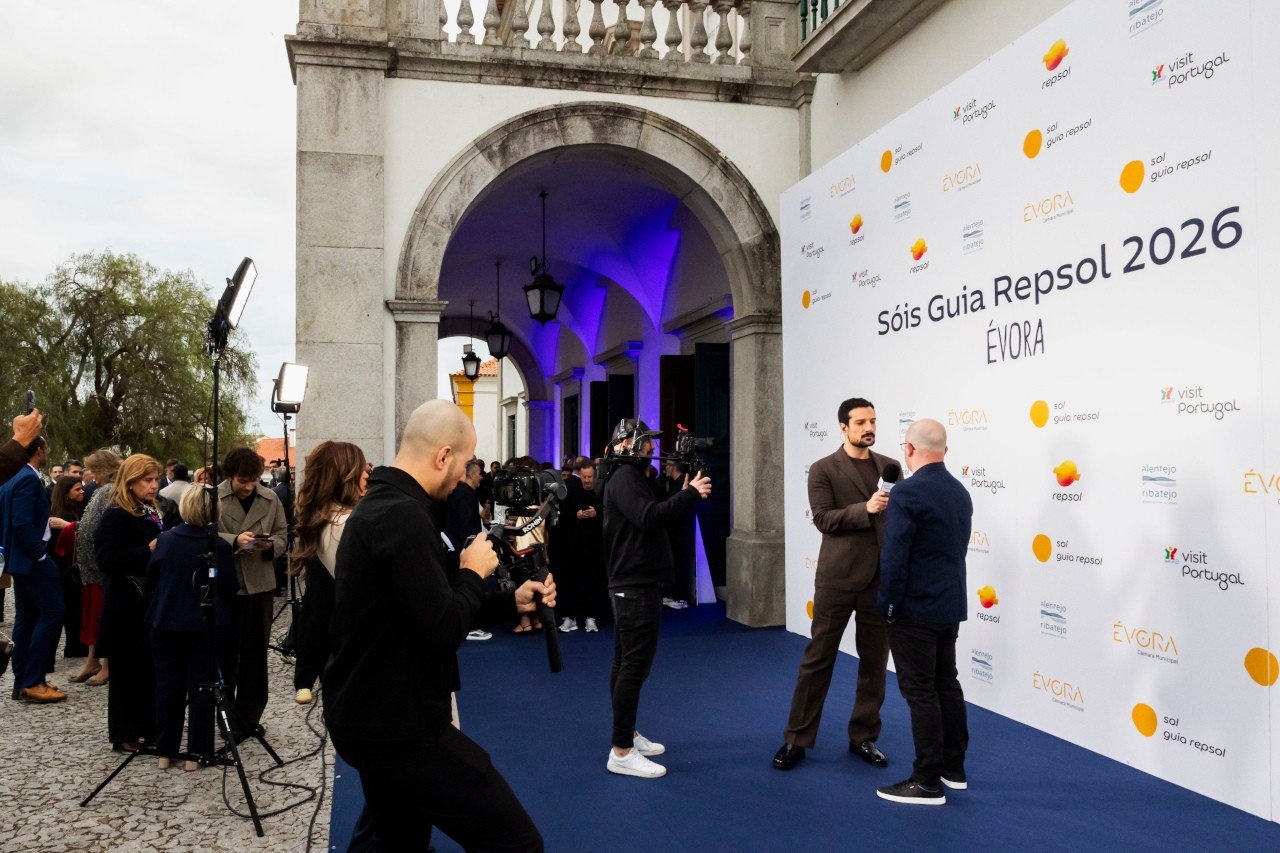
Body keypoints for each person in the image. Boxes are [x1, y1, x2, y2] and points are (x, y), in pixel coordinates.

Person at [325, 399, 553, 850]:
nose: (469, 474)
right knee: (518, 843)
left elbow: (431, 602)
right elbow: (445, 625)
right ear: (443, 456)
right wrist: (474, 571)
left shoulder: (386, 507)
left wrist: (512, 600)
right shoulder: (402, 516)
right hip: (399, 728)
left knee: (395, 841)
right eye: (466, 462)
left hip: (371, 716)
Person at [773, 397, 894, 772]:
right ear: (843, 427)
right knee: (818, 659)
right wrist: (866, 509)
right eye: (860, 422)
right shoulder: (824, 469)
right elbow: (824, 519)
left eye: (872, 421)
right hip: (837, 580)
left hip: (879, 581)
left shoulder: (889, 467)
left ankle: (864, 736)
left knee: (874, 664)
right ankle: (796, 739)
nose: (868, 427)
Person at [600, 418, 711, 779]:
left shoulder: (630, 478)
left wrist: (682, 489)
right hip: (634, 582)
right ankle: (621, 751)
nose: (651, 448)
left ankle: (626, 734)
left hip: (633, 580)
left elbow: (656, 513)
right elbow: (649, 518)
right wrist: (690, 494)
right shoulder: (625, 478)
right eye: (645, 441)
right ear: (625, 444)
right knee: (634, 665)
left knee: (625, 662)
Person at [875, 418, 972, 805]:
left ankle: (927, 780)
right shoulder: (960, 492)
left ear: (909, 450)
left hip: (915, 609)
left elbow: (895, 559)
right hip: (949, 607)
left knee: (921, 692)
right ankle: (953, 768)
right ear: (944, 451)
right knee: (946, 684)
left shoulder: (907, 493)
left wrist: (890, 607)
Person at [145, 484, 238, 770]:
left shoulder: (164, 541)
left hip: (164, 621)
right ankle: (198, 751)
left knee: (167, 686)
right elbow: (230, 588)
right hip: (203, 624)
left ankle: (166, 749)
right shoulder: (218, 546)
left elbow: (150, 581)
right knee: (201, 686)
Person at [93, 454, 165, 750]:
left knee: (149, 669)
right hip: (125, 604)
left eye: (155, 480)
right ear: (131, 482)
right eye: (147, 480)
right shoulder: (115, 514)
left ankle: (150, 727)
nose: (153, 485)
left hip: (148, 602)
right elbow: (106, 559)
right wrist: (145, 551)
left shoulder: (150, 510)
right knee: (126, 674)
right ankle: (124, 733)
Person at [216, 447, 288, 738]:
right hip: (229, 586)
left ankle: (250, 716)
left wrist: (272, 545)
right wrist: (233, 540)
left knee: (255, 654)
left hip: (260, 584)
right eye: (243, 481)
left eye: (254, 480)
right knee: (227, 655)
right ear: (230, 476)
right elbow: (201, 532)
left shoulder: (270, 499)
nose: (248, 487)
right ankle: (227, 717)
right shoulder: (212, 498)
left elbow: (284, 533)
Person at [289, 441, 367, 704]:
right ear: (346, 476)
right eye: (362, 469)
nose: (368, 475)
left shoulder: (325, 518)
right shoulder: (347, 523)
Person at [3, 435, 67, 703]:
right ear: (38, 449)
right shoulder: (28, 478)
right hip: (32, 559)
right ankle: (32, 680)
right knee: (53, 612)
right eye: (46, 447)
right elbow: (21, 521)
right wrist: (40, 556)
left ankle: (22, 680)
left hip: (19, 559)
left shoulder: (12, 477)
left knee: (27, 618)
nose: (47, 451)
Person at [74, 449, 123, 686]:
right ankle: (92, 660)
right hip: (91, 566)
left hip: (100, 564)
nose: (91, 474)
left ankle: (107, 665)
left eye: (94, 469)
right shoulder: (102, 489)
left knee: (104, 615)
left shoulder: (112, 490)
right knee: (93, 614)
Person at [443, 457, 492, 642]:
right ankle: (470, 625)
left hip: (456, 548)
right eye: (479, 473)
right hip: (463, 550)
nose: (481, 478)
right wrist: (472, 549)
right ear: (472, 473)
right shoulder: (466, 494)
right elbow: (465, 525)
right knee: (468, 585)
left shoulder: (461, 493)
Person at [556, 456, 604, 633]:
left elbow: (609, 519)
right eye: (584, 477)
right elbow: (562, 519)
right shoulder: (572, 493)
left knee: (593, 583)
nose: (587, 480)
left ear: (594, 475)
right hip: (574, 547)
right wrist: (576, 516)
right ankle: (570, 618)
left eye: (590, 477)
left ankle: (591, 618)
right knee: (571, 583)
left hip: (594, 547)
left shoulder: (600, 495)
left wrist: (597, 514)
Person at [48, 475, 88, 659]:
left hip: (64, 569)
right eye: (77, 489)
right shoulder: (61, 516)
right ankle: (73, 647)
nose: (82, 492)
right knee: (71, 610)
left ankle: (75, 647)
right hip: (64, 569)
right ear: (66, 494)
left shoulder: (71, 511)